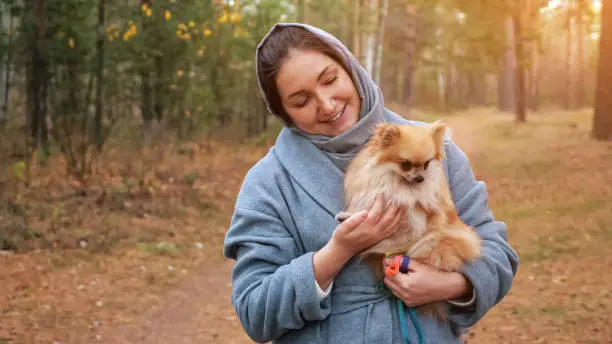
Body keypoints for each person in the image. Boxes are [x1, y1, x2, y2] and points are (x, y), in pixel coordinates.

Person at [223, 23, 519, 344]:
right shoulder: (268, 182)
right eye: (301, 100)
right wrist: (337, 252)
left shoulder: (433, 148)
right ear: (284, 113)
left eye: (330, 80)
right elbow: (255, 311)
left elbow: (497, 254)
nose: (326, 104)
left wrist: (450, 285)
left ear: (350, 67)